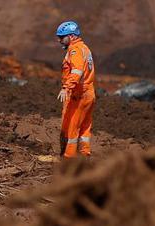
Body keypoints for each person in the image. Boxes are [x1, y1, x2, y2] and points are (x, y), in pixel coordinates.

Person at [56, 21, 96, 159]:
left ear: (71, 36)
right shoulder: (85, 48)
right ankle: (84, 156)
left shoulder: (76, 50)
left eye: (62, 37)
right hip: (89, 92)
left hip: (79, 94)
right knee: (85, 126)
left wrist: (66, 87)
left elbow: (77, 71)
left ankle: (69, 159)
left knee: (72, 127)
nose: (59, 40)